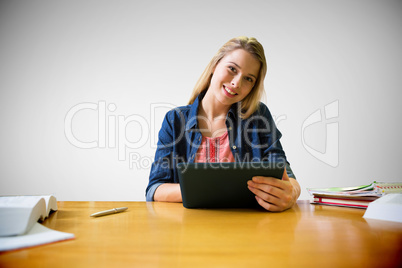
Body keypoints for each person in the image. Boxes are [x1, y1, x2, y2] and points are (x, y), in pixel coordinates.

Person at [146, 36, 300, 212]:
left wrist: (293, 192)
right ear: (214, 65)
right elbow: (155, 189)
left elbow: (286, 173)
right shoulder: (175, 120)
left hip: (248, 229)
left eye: (249, 79)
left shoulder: (258, 117)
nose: (236, 83)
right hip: (188, 230)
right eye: (232, 69)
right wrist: (212, 189)